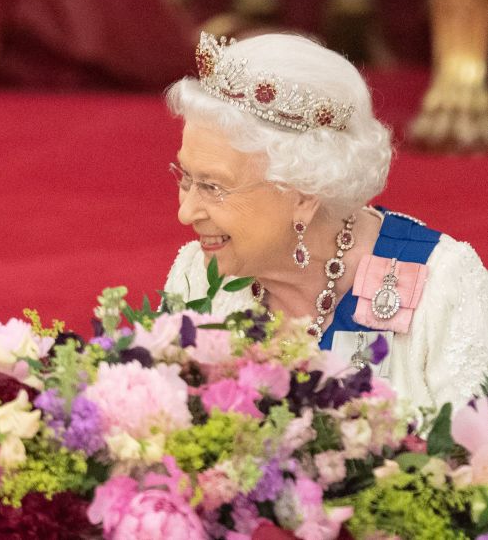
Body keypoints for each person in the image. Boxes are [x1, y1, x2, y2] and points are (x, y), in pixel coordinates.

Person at [163, 32, 488, 411]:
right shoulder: (197, 275)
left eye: (213, 186)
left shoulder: (440, 284)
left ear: (302, 194)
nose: (186, 212)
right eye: (186, 177)